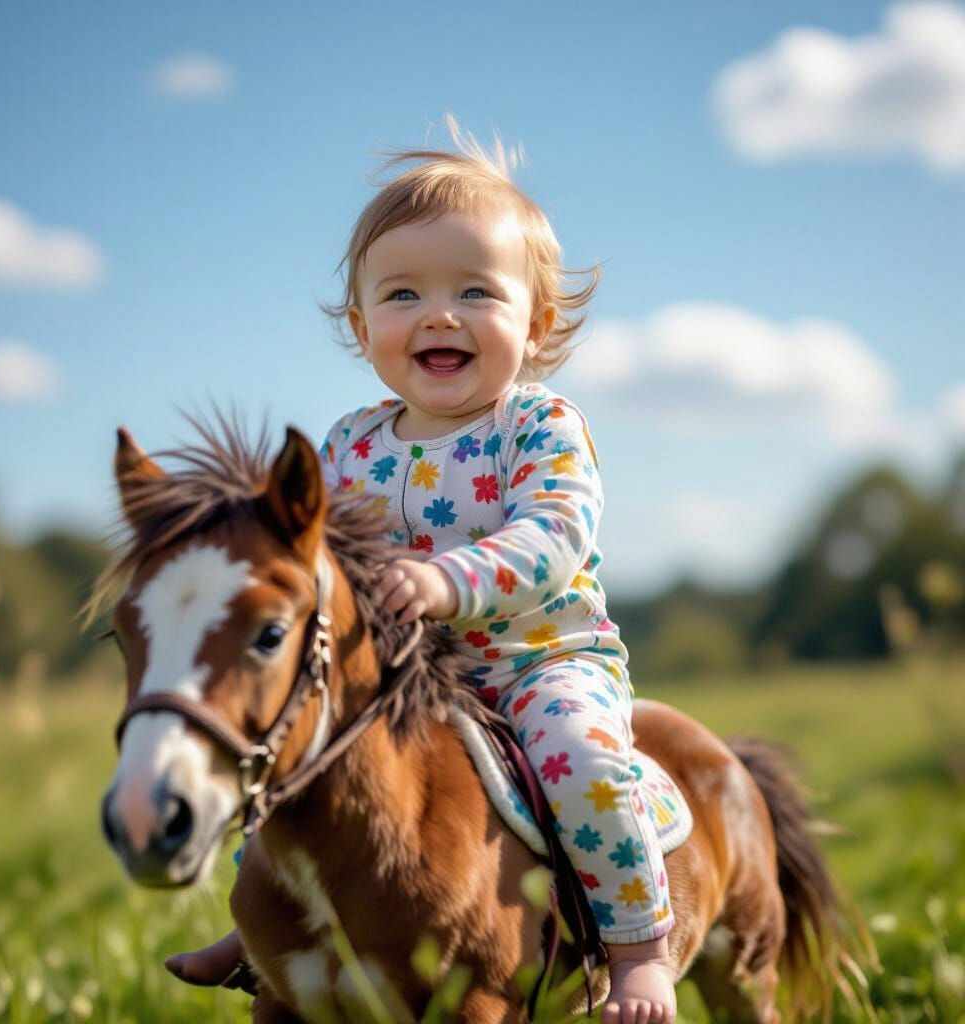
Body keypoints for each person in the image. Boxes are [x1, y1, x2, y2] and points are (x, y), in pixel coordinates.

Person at [167, 118, 676, 1024]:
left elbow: (554, 535)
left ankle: (638, 949)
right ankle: (266, 928)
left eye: (476, 291)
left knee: (580, 757)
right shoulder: (350, 444)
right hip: (400, 679)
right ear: (364, 326)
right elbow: (305, 556)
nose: (439, 315)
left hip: (532, 661)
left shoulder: (539, 425)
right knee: (289, 757)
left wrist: (449, 581)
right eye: (403, 294)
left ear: (537, 320)